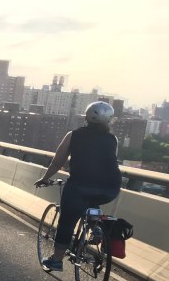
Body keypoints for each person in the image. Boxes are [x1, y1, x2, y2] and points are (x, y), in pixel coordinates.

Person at [35, 101, 122, 271]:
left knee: (67, 222)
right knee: (93, 197)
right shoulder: (113, 139)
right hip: (110, 188)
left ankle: (56, 260)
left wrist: (45, 178)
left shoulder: (73, 135)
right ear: (109, 120)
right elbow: (109, 161)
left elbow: (57, 162)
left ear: (87, 117)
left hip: (80, 186)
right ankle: (95, 227)